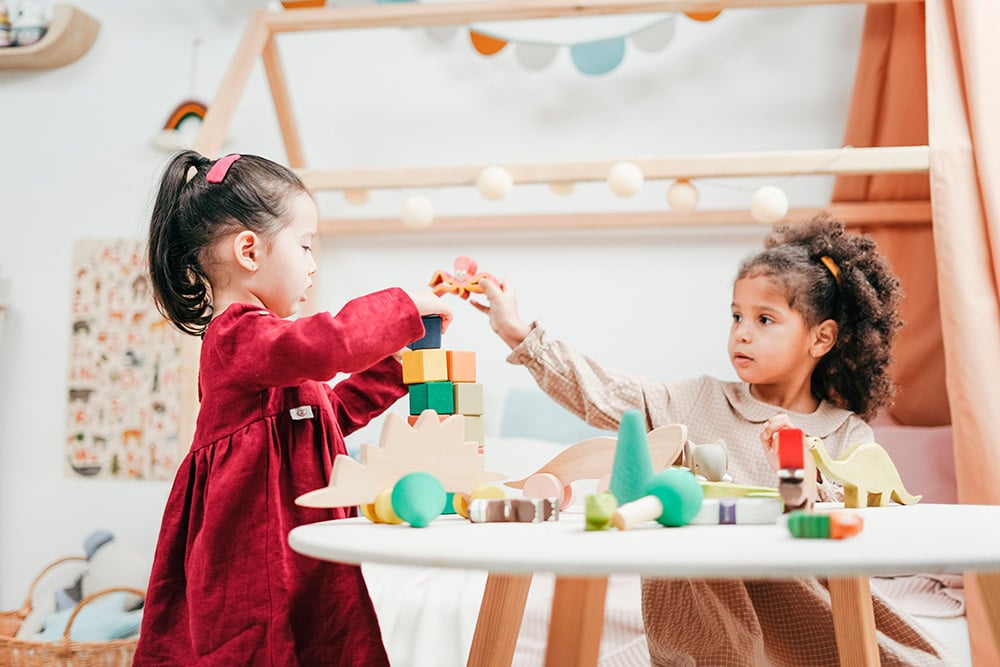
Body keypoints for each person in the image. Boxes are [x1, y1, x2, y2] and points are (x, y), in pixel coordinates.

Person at [473, 216, 952, 666]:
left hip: (807, 611)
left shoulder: (845, 433)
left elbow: (861, 519)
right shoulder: (697, 400)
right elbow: (601, 391)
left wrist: (802, 477)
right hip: (710, 623)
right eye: (736, 316)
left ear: (821, 338)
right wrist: (516, 331)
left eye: (765, 320)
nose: (741, 334)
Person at [134, 151, 452, 666]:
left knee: (322, 639)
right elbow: (326, 347)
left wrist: (398, 364)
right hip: (253, 557)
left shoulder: (274, 355)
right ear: (249, 251)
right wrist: (401, 308)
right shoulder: (237, 337)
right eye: (305, 246)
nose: (312, 264)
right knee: (261, 647)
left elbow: (330, 413)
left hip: (300, 549)